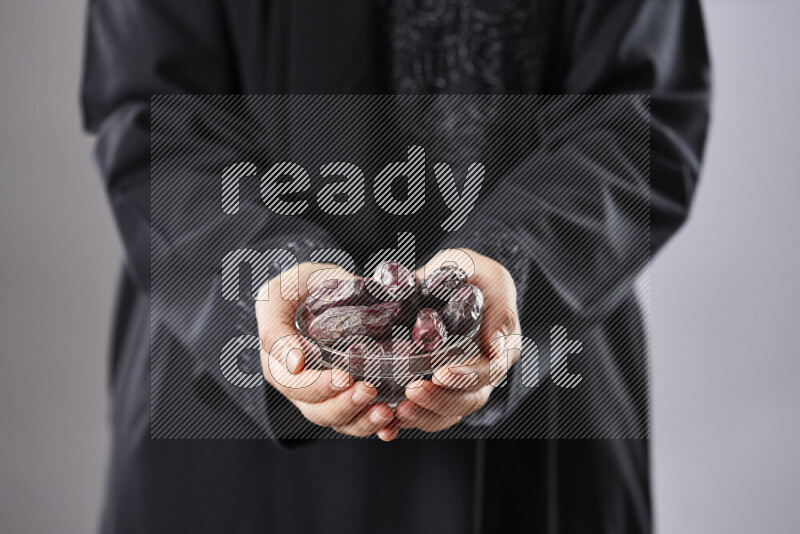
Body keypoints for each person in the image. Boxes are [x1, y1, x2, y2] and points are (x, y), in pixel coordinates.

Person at [81, 0, 711, 532]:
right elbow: (151, 114)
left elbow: (646, 109)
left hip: (541, 412)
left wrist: (515, 265)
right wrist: (267, 276)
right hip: (231, 428)